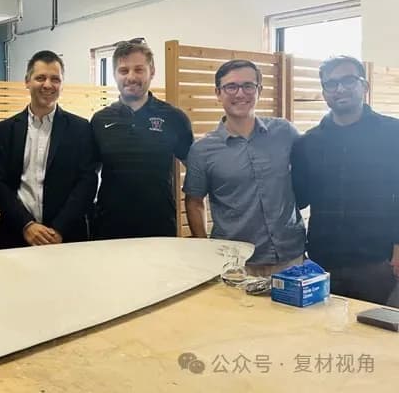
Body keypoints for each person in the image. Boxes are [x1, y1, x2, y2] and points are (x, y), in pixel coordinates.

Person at [291, 55, 399, 305]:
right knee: (321, 327)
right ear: (324, 92)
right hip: (322, 262)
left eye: (348, 80)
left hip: (378, 261)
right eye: (331, 84)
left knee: (376, 328)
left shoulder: (392, 134)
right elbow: (300, 198)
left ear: (364, 85)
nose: (339, 89)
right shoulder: (308, 142)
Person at [183, 60, 305, 275]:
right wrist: (204, 250)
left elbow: (309, 172)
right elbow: (194, 201)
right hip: (236, 263)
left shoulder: (285, 132)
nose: (240, 93)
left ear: (259, 90)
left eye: (248, 86)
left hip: (290, 256)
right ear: (218, 93)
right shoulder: (202, 150)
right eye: (231, 87)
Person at [0, 50, 97, 248]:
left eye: (55, 79)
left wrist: (59, 229)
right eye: (40, 78)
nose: (48, 85)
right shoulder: (7, 129)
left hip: (66, 237)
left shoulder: (80, 128)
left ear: (62, 85)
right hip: (16, 234)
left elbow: (87, 181)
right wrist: (27, 225)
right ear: (27, 81)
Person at [91, 39, 193, 239]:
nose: (131, 77)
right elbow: (88, 175)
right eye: (123, 70)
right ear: (114, 74)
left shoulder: (174, 118)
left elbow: (196, 170)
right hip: (109, 229)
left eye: (139, 69)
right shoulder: (100, 120)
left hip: (159, 227)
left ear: (151, 71)